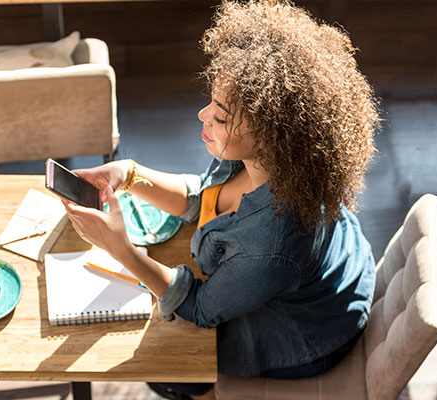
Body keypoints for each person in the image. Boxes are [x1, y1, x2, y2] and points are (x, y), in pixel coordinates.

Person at [60, 0, 380, 398]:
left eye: (221, 116)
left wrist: (119, 248)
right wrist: (129, 174)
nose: (201, 115)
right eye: (212, 101)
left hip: (306, 336)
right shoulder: (269, 164)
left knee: (168, 371)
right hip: (322, 280)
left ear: (274, 136)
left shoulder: (271, 244)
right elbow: (202, 198)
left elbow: (198, 307)